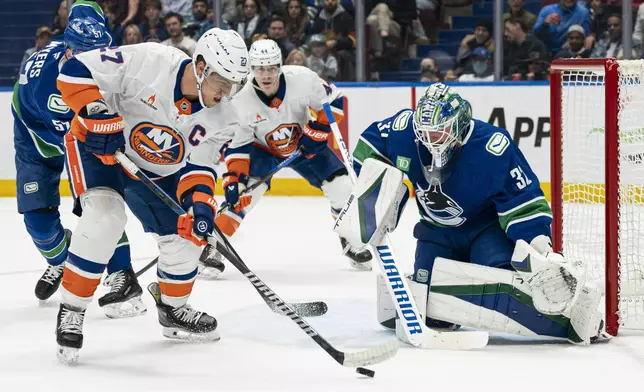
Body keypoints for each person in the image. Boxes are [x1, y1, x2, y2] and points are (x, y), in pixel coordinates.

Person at [336, 83, 609, 345]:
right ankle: (448, 299)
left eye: (439, 132)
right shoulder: (402, 131)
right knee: (427, 305)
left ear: (457, 124)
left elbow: (524, 201)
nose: (430, 140)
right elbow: (368, 149)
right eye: (424, 132)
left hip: (486, 229)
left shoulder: (492, 147)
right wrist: (367, 198)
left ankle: (574, 318)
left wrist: (544, 251)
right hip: (436, 232)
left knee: (501, 286)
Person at [54, 28, 249, 364]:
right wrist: (98, 113)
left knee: (188, 238)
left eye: (234, 84)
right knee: (105, 218)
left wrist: (200, 206)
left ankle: (173, 310)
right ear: (201, 65)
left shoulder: (226, 116)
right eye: (222, 80)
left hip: (159, 168)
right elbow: (74, 71)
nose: (226, 91)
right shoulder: (150, 60)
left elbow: (199, 169)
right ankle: (71, 309)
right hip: (98, 150)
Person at [12, 1, 145, 319]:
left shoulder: (111, 62)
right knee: (38, 221)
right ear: (69, 50)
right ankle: (61, 260)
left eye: (100, 54)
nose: (96, 63)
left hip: (78, 129)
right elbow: (76, 137)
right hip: (37, 139)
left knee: (100, 203)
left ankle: (123, 276)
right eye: (86, 55)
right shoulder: (48, 82)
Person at [215, 39, 373, 270]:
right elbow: (238, 147)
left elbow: (335, 102)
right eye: (260, 68)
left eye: (271, 68)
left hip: (303, 143)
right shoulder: (239, 100)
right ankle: (213, 246)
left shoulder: (303, 79)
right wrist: (233, 180)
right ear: (252, 69)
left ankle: (350, 240)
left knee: (341, 186)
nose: (266, 75)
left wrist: (317, 131)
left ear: (279, 66)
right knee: (244, 195)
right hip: (263, 150)